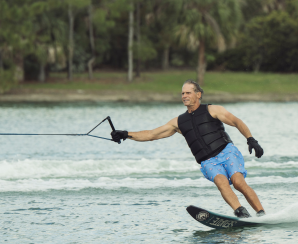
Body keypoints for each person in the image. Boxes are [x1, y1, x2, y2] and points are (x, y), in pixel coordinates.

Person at [111, 79, 265, 218]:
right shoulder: (178, 122)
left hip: (226, 151)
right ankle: (241, 213)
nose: (184, 96)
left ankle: (261, 213)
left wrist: (251, 140)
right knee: (221, 182)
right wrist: (125, 134)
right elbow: (152, 134)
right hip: (208, 161)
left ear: (198, 95)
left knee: (238, 182)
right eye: (182, 93)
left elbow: (236, 121)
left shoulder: (212, 110)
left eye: (188, 93)